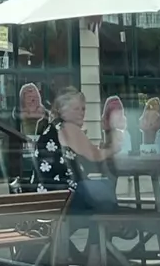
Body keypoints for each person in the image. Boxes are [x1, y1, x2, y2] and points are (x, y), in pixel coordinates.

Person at [30, 87, 129, 266]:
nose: (82, 112)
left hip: (49, 197)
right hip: (62, 197)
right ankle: (108, 237)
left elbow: (84, 159)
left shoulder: (54, 128)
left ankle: (96, 249)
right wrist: (115, 148)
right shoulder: (68, 128)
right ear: (61, 109)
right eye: (77, 108)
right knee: (104, 190)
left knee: (98, 203)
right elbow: (95, 156)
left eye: (83, 108)